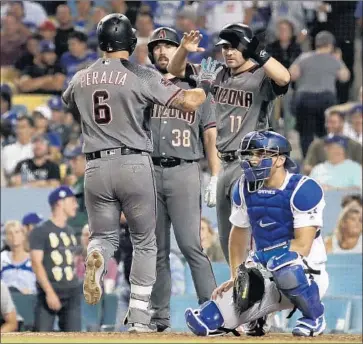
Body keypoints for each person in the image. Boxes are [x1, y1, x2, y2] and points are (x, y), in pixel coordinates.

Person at [61, 13, 220, 332]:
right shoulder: (141, 75)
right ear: (132, 44)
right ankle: (139, 316)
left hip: (94, 166)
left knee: (103, 236)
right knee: (147, 242)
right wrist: (204, 83)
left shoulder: (80, 77)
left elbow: (69, 103)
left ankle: (96, 257)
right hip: (135, 164)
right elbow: (189, 102)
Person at [184, 130, 329, 337]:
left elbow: (302, 245)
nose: (253, 160)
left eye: (261, 154)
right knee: (207, 321)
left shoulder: (304, 188)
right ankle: (258, 317)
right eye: (250, 154)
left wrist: (257, 262)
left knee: (285, 265)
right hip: (265, 271)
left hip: (305, 272)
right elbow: (238, 237)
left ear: (280, 159)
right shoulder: (243, 186)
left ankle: (314, 317)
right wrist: (237, 275)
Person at [167, 24, 291, 263]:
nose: (228, 52)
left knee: (250, 232)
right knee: (227, 241)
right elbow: (175, 69)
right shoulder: (216, 72)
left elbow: (284, 77)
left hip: (252, 163)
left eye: (234, 47)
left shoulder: (261, 75)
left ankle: (262, 285)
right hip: (223, 164)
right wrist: (183, 49)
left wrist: (257, 51)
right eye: (224, 47)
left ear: (247, 47)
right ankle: (239, 286)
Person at [146, 27, 219, 332]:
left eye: (168, 46)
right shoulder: (144, 84)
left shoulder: (198, 87)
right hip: (148, 170)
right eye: (157, 47)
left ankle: (213, 312)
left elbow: (210, 134)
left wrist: (215, 175)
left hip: (185, 169)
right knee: (156, 249)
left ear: (179, 50)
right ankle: (159, 317)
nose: (162, 52)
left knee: (191, 245)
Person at [29, 186, 81, 332]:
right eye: (72, 201)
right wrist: (49, 292)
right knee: (41, 336)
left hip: (72, 292)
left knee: (75, 338)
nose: (76, 205)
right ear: (60, 202)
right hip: (49, 292)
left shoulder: (70, 231)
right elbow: (36, 263)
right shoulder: (40, 231)